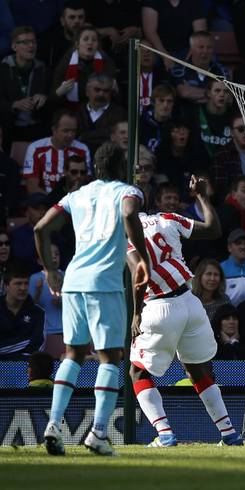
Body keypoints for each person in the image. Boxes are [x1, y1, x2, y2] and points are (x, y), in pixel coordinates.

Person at [34, 142, 150, 457]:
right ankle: (98, 433)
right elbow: (128, 212)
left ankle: (53, 424)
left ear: (96, 168)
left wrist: (49, 270)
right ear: (122, 166)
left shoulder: (77, 195)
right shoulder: (128, 191)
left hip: (73, 280)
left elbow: (40, 228)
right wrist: (141, 256)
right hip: (104, 284)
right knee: (110, 357)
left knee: (72, 353)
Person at [127, 175, 242, 447]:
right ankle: (229, 434)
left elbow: (140, 274)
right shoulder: (168, 219)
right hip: (191, 302)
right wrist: (202, 197)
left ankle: (164, 433)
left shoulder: (127, 235)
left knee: (138, 373)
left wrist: (136, 312)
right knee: (198, 369)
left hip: (159, 306)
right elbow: (214, 229)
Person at [0, 261, 46, 360]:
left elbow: (37, 347)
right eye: (18, 283)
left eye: (26, 283)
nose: (23, 288)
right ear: (6, 286)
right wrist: (24, 342)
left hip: (25, 368)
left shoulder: (38, 313)